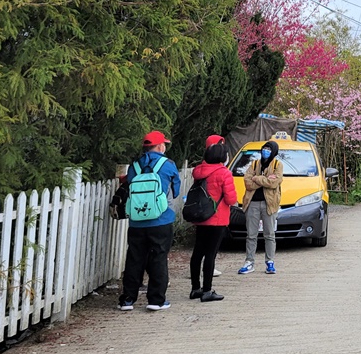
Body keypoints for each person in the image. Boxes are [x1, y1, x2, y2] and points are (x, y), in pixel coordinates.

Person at [118, 130, 181, 312]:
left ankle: (127, 300)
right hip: (161, 221)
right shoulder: (168, 165)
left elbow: (128, 186)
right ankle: (156, 300)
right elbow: (175, 191)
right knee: (159, 258)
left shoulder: (135, 166)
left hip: (137, 222)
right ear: (161, 146)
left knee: (134, 258)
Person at [189, 136, 237, 302]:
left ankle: (195, 288)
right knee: (210, 255)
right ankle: (207, 290)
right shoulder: (224, 173)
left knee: (197, 253)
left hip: (201, 217)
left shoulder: (199, 171)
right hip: (217, 219)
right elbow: (231, 199)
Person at [238, 140, 283, 275]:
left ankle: (270, 262)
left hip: (270, 204)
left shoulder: (277, 165)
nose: (266, 151)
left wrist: (256, 178)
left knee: (269, 234)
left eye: (269, 149)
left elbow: (274, 183)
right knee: (251, 234)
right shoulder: (254, 163)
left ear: (274, 151)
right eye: (264, 148)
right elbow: (247, 183)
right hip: (252, 203)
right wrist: (264, 179)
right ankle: (249, 261)